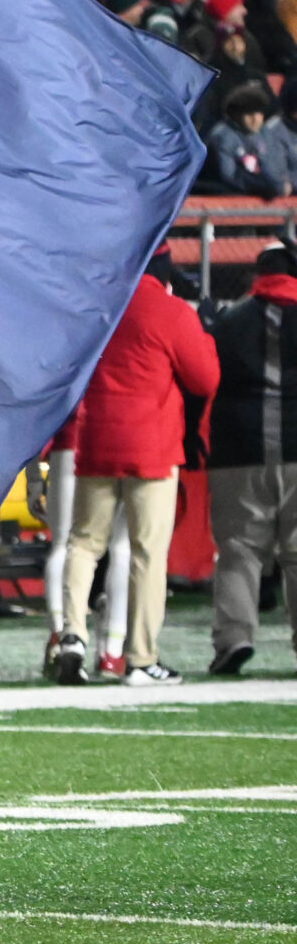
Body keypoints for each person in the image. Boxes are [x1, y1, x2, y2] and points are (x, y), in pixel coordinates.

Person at [54, 259, 220, 686]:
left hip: (95, 440)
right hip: (152, 446)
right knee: (147, 553)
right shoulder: (170, 311)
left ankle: (71, 634)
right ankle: (141, 659)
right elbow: (204, 379)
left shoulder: (97, 306)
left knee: (84, 544)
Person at [204, 240, 297, 676]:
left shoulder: (229, 321)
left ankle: (234, 639)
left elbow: (202, 377)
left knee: (239, 551)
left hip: (238, 449)